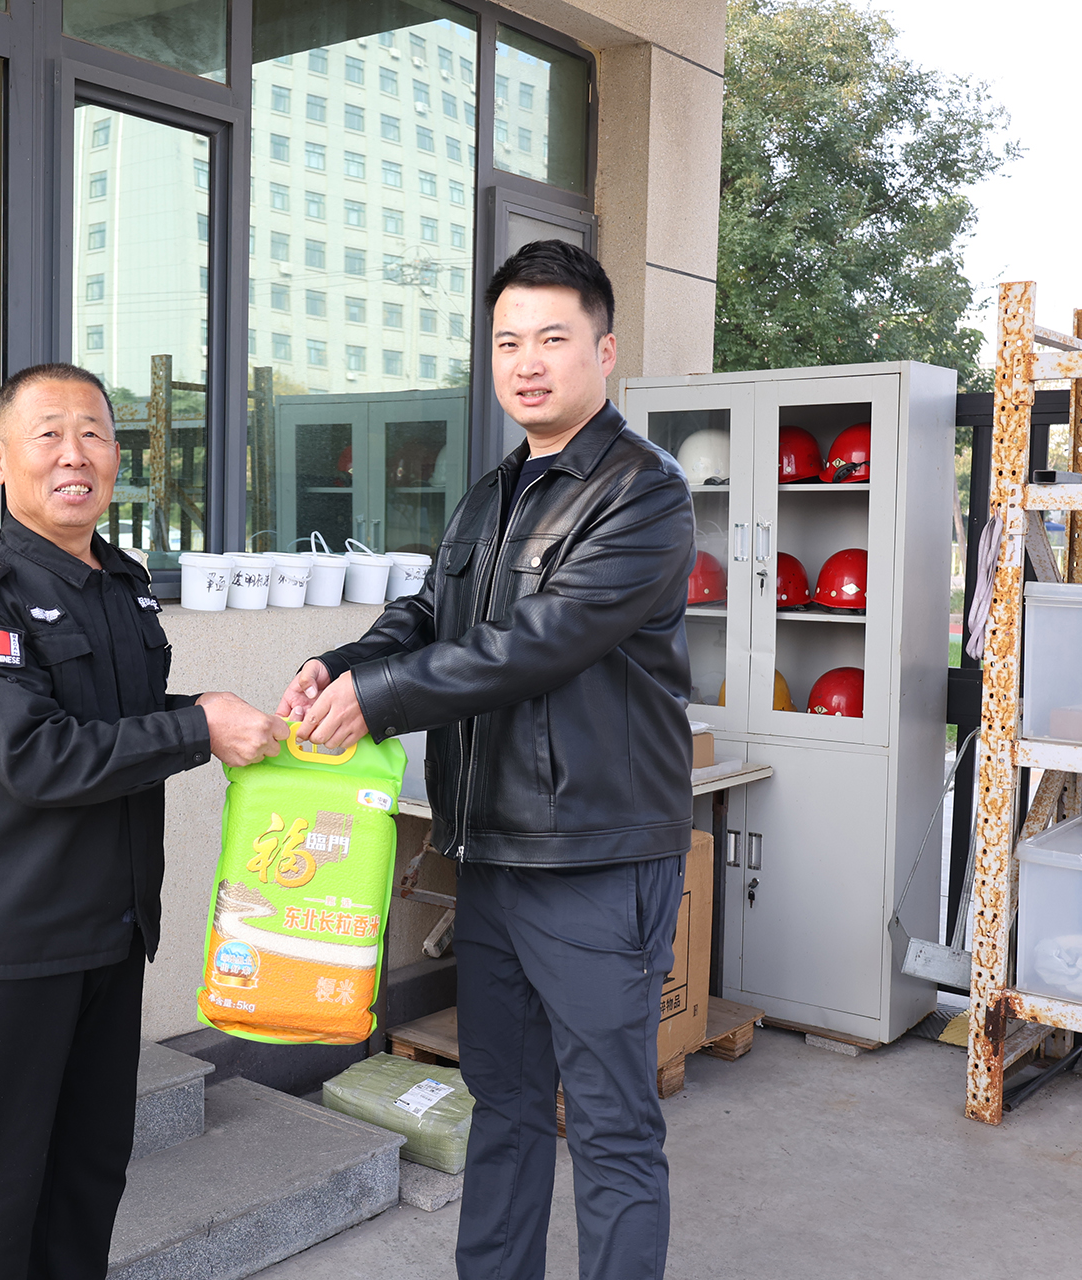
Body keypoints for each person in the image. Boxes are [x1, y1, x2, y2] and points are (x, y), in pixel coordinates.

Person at [281, 242, 696, 1280]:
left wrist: (377, 700)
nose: (527, 362)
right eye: (508, 342)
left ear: (605, 350)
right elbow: (432, 613)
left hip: (594, 856)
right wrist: (342, 664)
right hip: (494, 853)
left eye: (552, 338)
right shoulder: (492, 492)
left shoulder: (643, 493)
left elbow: (537, 643)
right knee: (504, 1105)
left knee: (608, 1124)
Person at [0, 362, 287, 1280]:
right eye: (48, 434)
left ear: (120, 456)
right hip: (12, 946)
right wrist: (198, 728)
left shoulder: (121, 581)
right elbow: (39, 754)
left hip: (111, 934)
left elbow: (122, 717)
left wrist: (215, 712)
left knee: (86, 1179)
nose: (74, 454)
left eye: (94, 434)